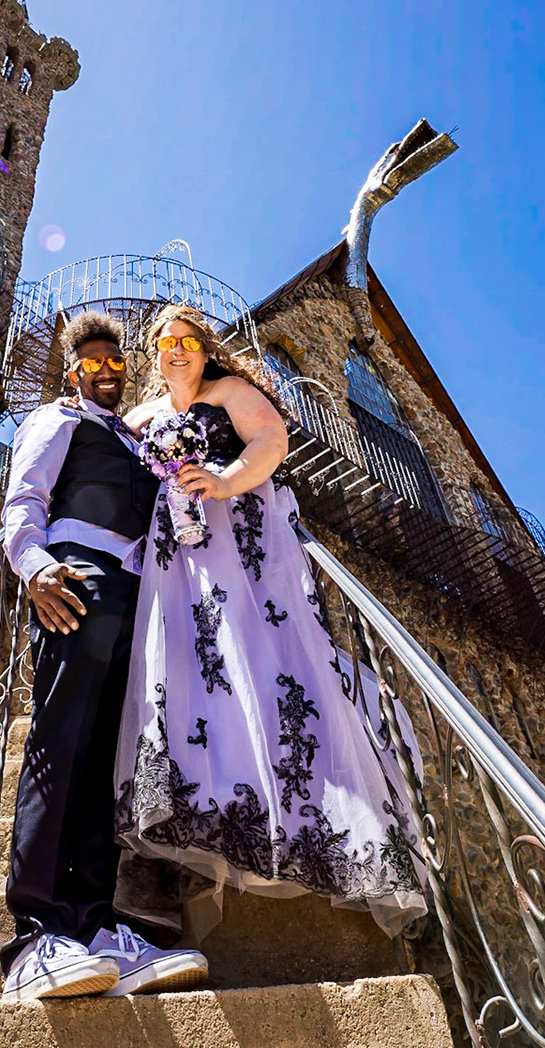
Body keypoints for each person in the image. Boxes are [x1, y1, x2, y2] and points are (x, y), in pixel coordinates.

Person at [114, 304, 427, 938]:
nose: (177, 350)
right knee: (180, 667)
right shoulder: (141, 418)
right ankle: (189, 810)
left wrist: (222, 480)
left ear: (205, 350)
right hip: (172, 558)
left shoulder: (229, 392)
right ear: (153, 352)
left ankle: (277, 814)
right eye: (165, 342)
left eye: (188, 341)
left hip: (236, 544)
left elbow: (270, 443)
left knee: (247, 661)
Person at [0, 311, 212, 1000]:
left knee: (103, 766)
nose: (108, 372)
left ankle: (91, 929)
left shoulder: (137, 438)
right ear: (72, 372)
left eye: (117, 363)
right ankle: (35, 936)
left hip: (137, 598)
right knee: (60, 750)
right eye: (93, 363)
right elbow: (23, 501)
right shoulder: (58, 420)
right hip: (78, 579)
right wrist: (35, 568)